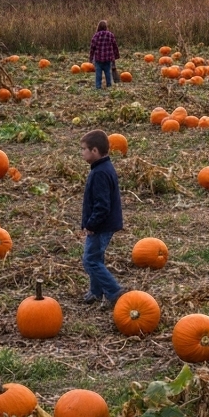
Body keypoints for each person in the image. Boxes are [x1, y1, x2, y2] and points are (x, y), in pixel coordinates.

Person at [80, 129, 124, 307]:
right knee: (95, 258)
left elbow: (102, 205)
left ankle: (114, 292)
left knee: (90, 260)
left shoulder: (99, 173)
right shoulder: (104, 168)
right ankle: (96, 292)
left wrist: (91, 224)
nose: (81, 152)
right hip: (104, 224)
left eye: (84, 149)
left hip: (101, 225)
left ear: (95, 151)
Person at [90, 21, 119, 89]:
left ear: (98, 27)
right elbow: (115, 46)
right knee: (108, 73)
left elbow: (92, 47)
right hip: (108, 59)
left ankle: (98, 87)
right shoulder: (110, 35)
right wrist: (116, 56)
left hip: (98, 59)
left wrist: (91, 58)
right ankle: (109, 86)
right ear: (106, 27)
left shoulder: (96, 36)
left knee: (98, 74)